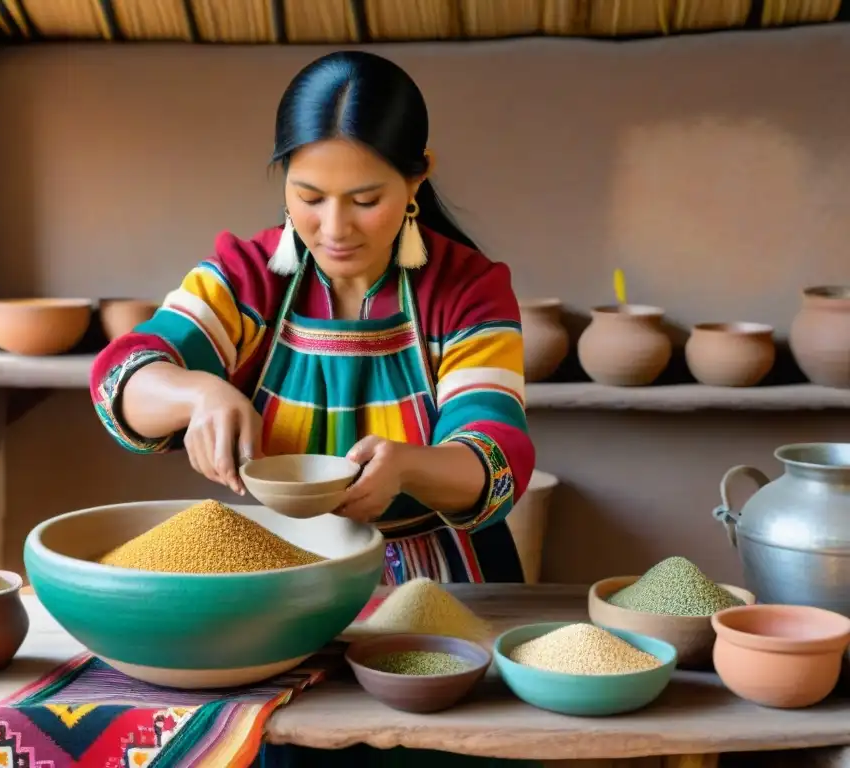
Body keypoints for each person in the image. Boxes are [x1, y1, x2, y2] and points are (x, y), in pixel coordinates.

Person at [90, 50, 536, 767]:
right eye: (307, 195)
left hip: (439, 584)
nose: (334, 228)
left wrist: (408, 466)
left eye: (365, 200)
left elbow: (494, 453)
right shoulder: (247, 275)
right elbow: (124, 376)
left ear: (418, 175)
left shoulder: (467, 290)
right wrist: (197, 392)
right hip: (276, 583)